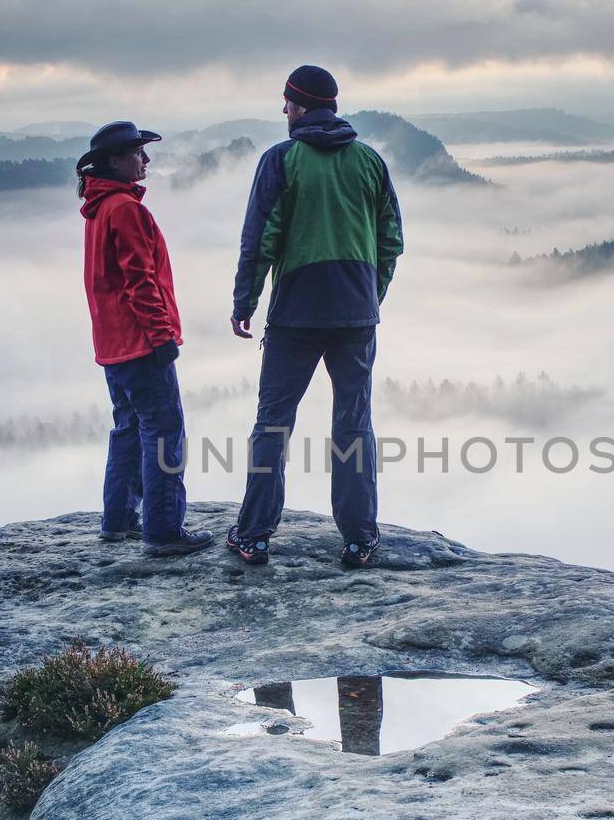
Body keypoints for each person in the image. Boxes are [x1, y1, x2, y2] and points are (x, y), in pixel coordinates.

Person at [227, 66, 403, 567]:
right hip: (356, 315)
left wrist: (245, 302)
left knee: (273, 425)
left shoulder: (281, 160)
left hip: (295, 317)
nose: (283, 111)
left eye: (286, 102)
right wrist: (371, 295)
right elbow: (392, 239)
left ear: (300, 105)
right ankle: (359, 539)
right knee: (353, 424)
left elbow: (258, 239)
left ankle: (255, 535)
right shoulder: (370, 161)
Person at [77, 120, 212, 557]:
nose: (146, 160)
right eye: (138, 153)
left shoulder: (98, 210)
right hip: (140, 342)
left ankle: (117, 520)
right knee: (164, 433)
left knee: (128, 430)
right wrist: (161, 336)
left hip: (112, 345)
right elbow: (141, 282)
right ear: (115, 161)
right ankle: (164, 531)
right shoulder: (125, 210)